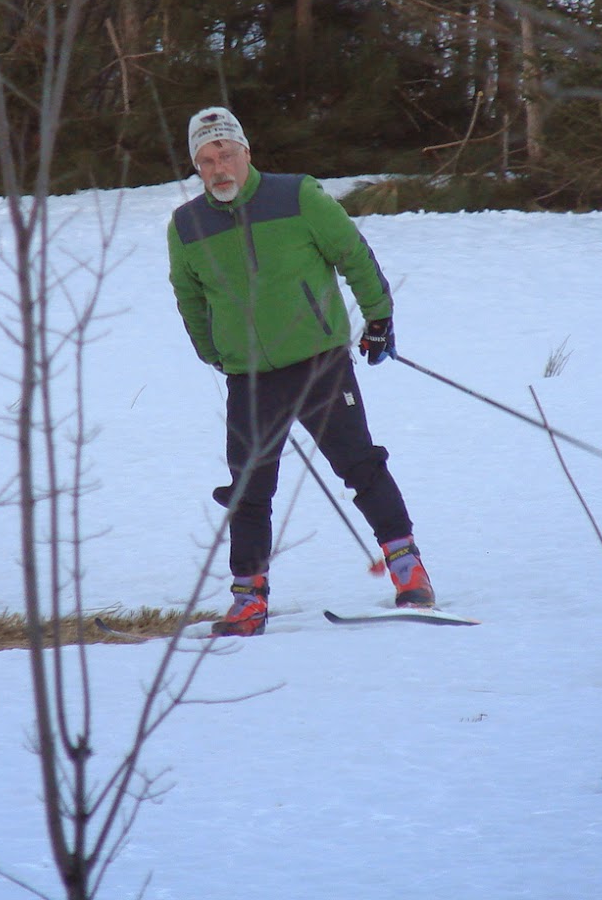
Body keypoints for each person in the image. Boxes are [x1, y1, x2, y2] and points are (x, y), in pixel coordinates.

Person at [166, 106, 434, 637]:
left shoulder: (297, 196)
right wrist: (213, 350)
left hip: (319, 365)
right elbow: (188, 296)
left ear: (246, 152)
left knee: (360, 466)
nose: (219, 168)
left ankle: (409, 573)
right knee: (249, 489)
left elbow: (352, 253)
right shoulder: (187, 225)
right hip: (249, 377)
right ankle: (248, 601)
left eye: (226, 154)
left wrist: (379, 317)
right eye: (206, 160)